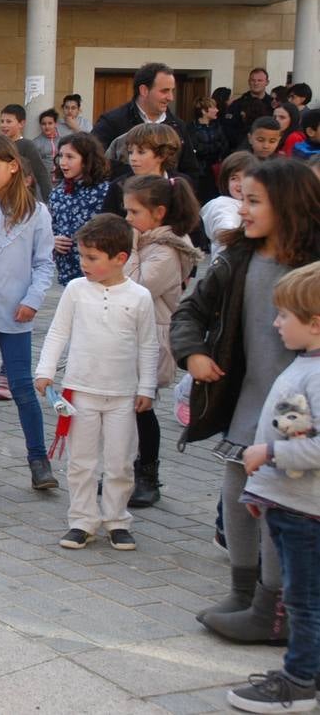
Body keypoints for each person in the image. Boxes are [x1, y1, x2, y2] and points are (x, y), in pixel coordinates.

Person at [173, 159, 320, 645]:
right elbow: (191, 310)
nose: (242, 209)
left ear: (290, 205)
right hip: (249, 400)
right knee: (239, 495)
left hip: (297, 409)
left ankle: (274, 608)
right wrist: (193, 353)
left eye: (254, 201)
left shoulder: (312, 267)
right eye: (242, 199)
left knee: (280, 502)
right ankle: (243, 592)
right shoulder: (237, 257)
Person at [225, 261, 320, 714]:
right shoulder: (304, 364)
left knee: (303, 601)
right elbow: (292, 425)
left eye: (284, 315)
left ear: (315, 323)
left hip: (306, 514)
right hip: (287, 505)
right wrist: (263, 491)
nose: (276, 323)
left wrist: (268, 455)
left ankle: (299, 682)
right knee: (304, 597)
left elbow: (311, 448)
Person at [35, 214, 159, 552]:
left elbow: (148, 345)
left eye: (92, 257)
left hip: (122, 395)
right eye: (82, 256)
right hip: (81, 392)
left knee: (120, 462)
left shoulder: (139, 297)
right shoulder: (76, 290)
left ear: (120, 258)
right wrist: (45, 370)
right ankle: (82, 520)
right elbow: (58, 332)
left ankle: (117, 520)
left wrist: (146, 387)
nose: (83, 263)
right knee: (81, 461)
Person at [0, 134, 58, 489]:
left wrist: (33, 299)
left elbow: (44, 263)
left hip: (16, 309)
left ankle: (38, 459)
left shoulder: (36, 212)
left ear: (14, 166)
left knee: (21, 385)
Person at [121, 174, 202, 508]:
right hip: (132, 334)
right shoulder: (148, 241)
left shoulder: (166, 250)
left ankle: (148, 475)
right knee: (125, 408)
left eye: (134, 212)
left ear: (159, 213)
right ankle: (124, 471)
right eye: (126, 212)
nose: (128, 219)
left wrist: (130, 248)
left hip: (152, 338)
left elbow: (134, 286)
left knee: (142, 409)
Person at [94, 62, 201, 182]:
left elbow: (191, 171)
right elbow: (94, 161)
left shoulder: (178, 126)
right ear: (144, 90)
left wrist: (172, 186)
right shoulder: (112, 122)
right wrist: (136, 178)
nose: (171, 97)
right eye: (164, 91)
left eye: (172, 91)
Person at [50, 132, 113, 286]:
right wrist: (52, 241)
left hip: (98, 273)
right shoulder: (58, 193)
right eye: (61, 156)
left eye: (70, 157)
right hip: (67, 274)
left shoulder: (105, 192)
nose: (63, 162)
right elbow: (49, 228)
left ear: (86, 161)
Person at [201, 151, 252, 262]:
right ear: (226, 181)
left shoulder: (255, 205)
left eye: (247, 177)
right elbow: (225, 224)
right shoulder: (223, 204)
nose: (240, 184)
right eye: (234, 178)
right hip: (228, 265)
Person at [0, 104, 53, 201]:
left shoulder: (27, 145)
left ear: (21, 124)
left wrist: (49, 200)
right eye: (2, 121)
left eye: (8, 121)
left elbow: (41, 174)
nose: (4, 125)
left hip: (22, 198)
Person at [189, 96, 230, 203]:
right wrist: (214, 147)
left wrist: (211, 148)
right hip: (201, 172)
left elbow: (224, 145)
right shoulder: (191, 128)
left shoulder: (217, 126)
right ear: (204, 111)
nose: (217, 110)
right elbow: (197, 149)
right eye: (213, 107)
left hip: (216, 170)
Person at [225, 67, 274, 150]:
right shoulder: (238, 104)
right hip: (241, 148)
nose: (256, 83)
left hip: (267, 148)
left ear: (267, 82)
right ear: (248, 82)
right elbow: (228, 128)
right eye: (253, 80)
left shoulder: (272, 104)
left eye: (259, 80)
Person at [35, 109, 62, 188]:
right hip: (43, 184)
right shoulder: (35, 143)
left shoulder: (62, 142)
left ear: (55, 124)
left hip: (61, 183)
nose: (47, 126)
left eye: (50, 123)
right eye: (43, 124)